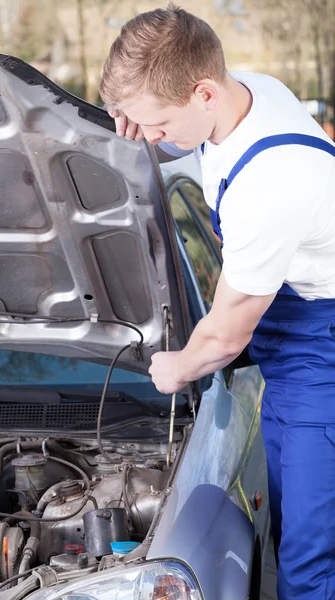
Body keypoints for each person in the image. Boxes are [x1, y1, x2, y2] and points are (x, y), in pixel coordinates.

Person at [99, 3, 335, 599]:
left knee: (309, 557)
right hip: (295, 319)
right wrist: (145, 124)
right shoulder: (243, 94)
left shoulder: (272, 180)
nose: (151, 137)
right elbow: (201, 143)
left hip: (322, 346)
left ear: (203, 91)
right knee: (292, 523)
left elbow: (225, 337)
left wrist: (173, 366)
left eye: (158, 123)